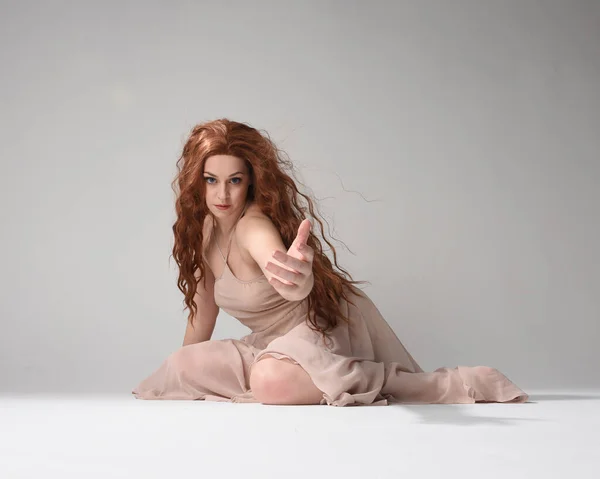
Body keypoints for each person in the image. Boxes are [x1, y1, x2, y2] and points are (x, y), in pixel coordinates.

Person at [131, 119, 528, 406]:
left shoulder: (254, 226)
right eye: (210, 179)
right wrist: (182, 367)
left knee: (270, 383)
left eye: (235, 179)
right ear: (195, 181)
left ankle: (419, 383)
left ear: (250, 180)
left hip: (323, 324)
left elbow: (289, 279)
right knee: (181, 367)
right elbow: (202, 313)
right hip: (272, 343)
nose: (222, 194)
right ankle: (286, 372)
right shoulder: (202, 231)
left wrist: (297, 273)